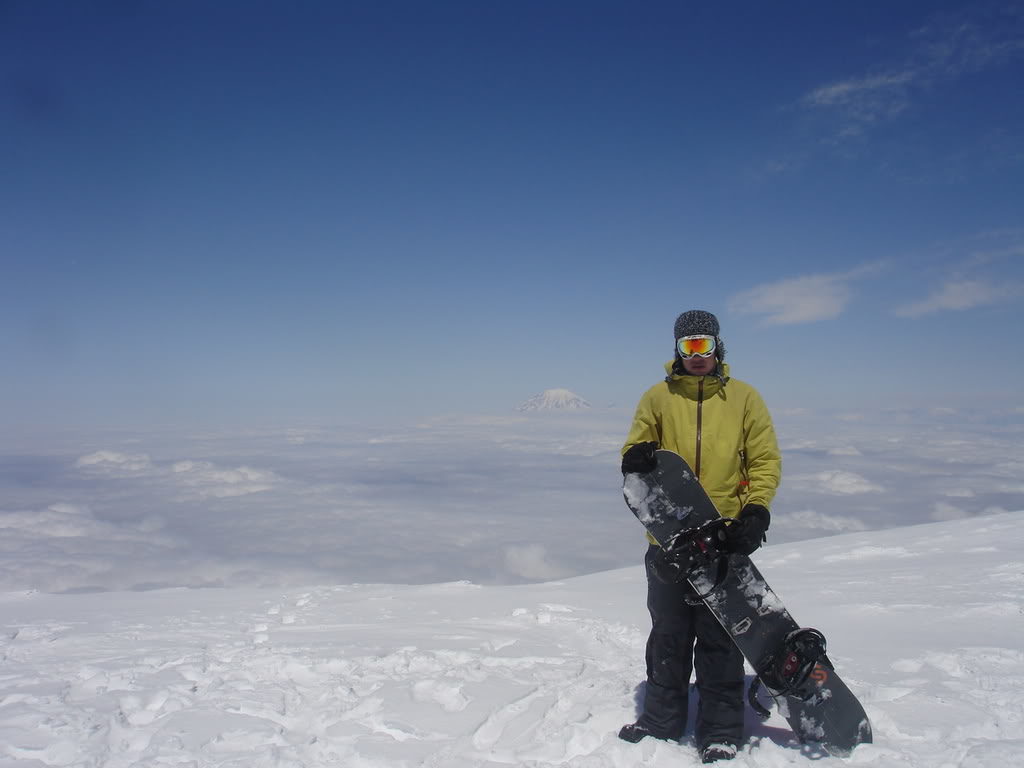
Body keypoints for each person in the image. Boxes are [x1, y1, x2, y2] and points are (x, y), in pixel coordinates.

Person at [618, 309, 782, 764]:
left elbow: (764, 460)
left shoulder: (745, 399)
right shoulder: (657, 397)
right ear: (677, 348)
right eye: (688, 346)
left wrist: (756, 510)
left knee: (719, 639)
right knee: (668, 635)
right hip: (668, 539)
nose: (696, 356)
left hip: (723, 539)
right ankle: (660, 720)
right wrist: (634, 458)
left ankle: (722, 731)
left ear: (717, 347)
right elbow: (634, 447)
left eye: (703, 346)